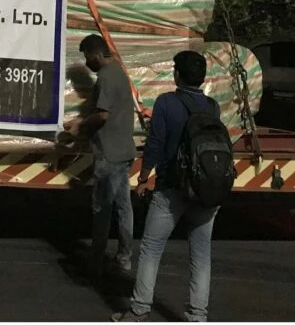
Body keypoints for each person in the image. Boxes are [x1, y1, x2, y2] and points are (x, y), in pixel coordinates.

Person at [112, 50, 221, 323]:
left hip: (172, 188)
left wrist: (143, 177)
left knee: (151, 249)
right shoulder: (212, 107)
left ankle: (139, 310)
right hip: (206, 189)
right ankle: (197, 316)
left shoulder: (166, 103)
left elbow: (155, 144)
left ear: (177, 75)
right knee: (201, 254)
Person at [70, 34, 137, 276]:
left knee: (102, 207)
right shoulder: (118, 72)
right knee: (123, 206)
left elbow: (103, 115)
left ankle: (96, 258)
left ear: (97, 54)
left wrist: (80, 124)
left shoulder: (107, 77)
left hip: (109, 152)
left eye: (87, 57)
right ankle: (124, 257)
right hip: (124, 150)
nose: (87, 62)